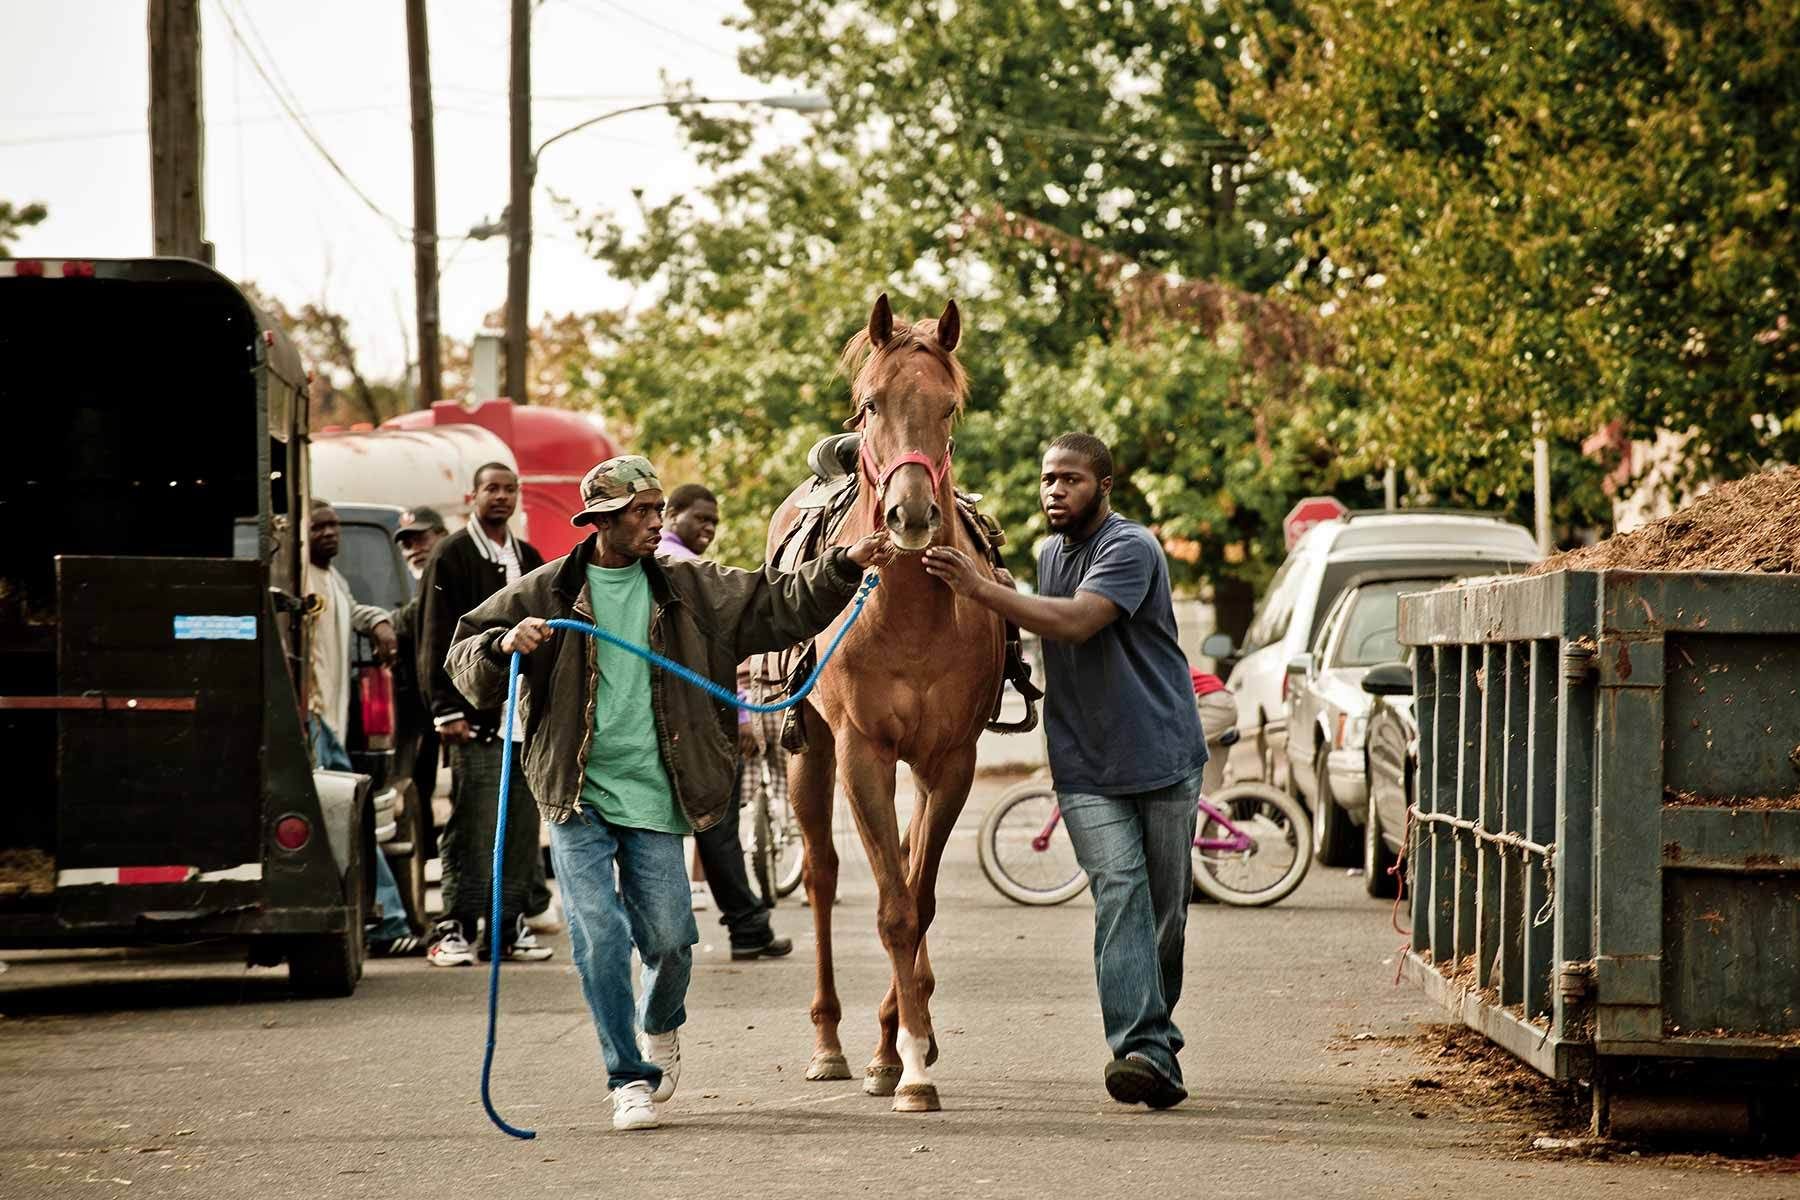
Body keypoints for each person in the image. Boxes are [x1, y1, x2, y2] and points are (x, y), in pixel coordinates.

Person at [444, 455, 893, 1132]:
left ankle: (661, 1024)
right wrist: (504, 643)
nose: (657, 522)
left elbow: (778, 602)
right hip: (577, 793)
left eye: (658, 510)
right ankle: (628, 1077)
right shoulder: (547, 590)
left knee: (672, 941)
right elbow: (465, 653)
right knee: (597, 938)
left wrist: (844, 564)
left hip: (659, 791)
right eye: (641, 512)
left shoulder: (694, 587)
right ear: (599, 520)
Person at [922, 432, 1206, 1111]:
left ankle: (1156, 1044)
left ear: (1104, 486)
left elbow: (1078, 622)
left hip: (1162, 752)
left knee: (1165, 915)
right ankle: (1140, 1047)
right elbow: (1031, 617)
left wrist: (982, 589)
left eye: (1071, 480)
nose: (1055, 490)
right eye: (1048, 478)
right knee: (1120, 892)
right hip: (1083, 762)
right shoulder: (1050, 554)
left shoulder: (1128, 547)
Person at [417, 464, 553, 967]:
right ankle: (453, 926)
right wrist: (446, 707)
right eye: (492, 489)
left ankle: (508, 927)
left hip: (521, 718)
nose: (501, 497)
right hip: (473, 717)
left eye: (510, 489)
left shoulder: (529, 557)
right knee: (472, 823)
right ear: (472, 495)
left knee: (519, 825)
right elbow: (433, 636)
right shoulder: (451, 554)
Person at [657, 482, 791, 960]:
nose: (709, 531)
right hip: (700, 723)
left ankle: (746, 922)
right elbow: (718, 654)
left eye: (714, 522)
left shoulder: (656, 562)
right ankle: (747, 925)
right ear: (671, 514)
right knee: (717, 825)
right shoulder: (686, 570)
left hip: (682, 719)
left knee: (699, 827)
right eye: (701, 520)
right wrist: (740, 716)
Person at [304, 500, 418, 956]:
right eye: (319, 526)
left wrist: (382, 622)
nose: (331, 533)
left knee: (351, 822)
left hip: (331, 721)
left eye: (333, 526)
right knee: (353, 821)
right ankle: (386, 920)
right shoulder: (295, 579)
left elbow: (353, 612)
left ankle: (382, 919)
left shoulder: (332, 579)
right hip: (311, 721)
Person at [392, 507, 448, 864]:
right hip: (422, 710)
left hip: (462, 710)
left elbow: (414, 620)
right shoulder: (420, 587)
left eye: (422, 538)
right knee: (418, 786)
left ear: (442, 536)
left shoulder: (451, 577)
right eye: (407, 543)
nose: (414, 549)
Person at [1191, 667, 1236, 797]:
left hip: (1210, 702)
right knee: (1208, 792)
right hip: (1221, 702)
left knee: (1169, 754)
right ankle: (1216, 815)